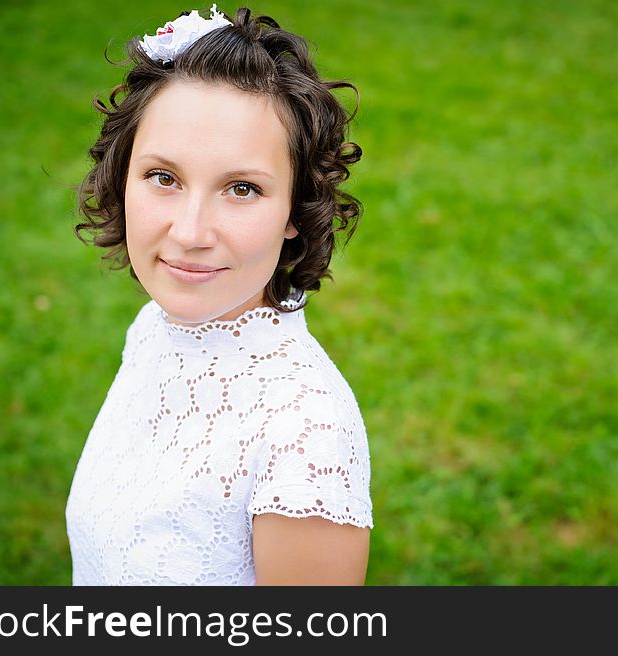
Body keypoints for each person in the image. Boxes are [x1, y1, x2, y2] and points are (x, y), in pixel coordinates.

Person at [65, 5, 372, 585]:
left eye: (241, 188)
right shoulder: (156, 328)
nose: (189, 233)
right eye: (164, 177)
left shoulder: (306, 431)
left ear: (294, 210)